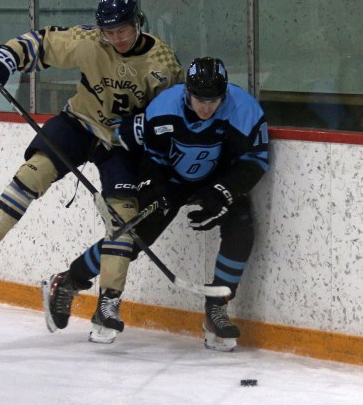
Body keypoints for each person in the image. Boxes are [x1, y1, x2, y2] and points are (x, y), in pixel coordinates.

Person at [0, 0, 184, 335]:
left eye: (123, 29)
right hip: (78, 123)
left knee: (122, 218)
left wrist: (144, 129)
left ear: (137, 23)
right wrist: (2, 60)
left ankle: (108, 302)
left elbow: (172, 115)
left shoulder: (163, 62)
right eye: (109, 31)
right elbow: (42, 43)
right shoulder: (91, 42)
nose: (116, 38)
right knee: (33, 174)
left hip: (121, 143)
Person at [45, 57, 269, 350]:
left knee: (241, 226)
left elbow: (256, 160)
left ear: (224, 94)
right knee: (131, 239)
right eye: (199, 99)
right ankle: (70, 280)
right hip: (171, 180)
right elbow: (152, 157)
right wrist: (154, 189)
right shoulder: (164, 108)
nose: (206, 107)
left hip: (218, 179)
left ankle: (217, 308)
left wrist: (224, 192)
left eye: (213, 100)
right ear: (187, 92)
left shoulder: (245, 110)